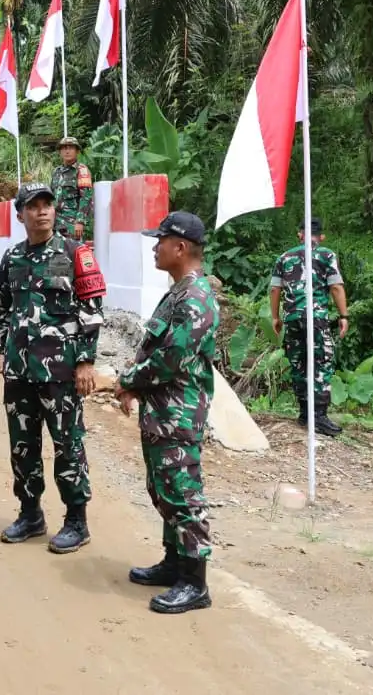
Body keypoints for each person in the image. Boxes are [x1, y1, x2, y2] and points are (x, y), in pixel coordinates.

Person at [0, 183, 106, 553]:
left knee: (68, 445)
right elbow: (1, 309)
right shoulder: (13, 258)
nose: (42, 212)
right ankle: (30, 513)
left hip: (61, 372)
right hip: (20, 371)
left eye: (47, 205)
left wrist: (86, 360)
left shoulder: (75, 253)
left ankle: (76, 520)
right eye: (33, 206)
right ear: (20, 214)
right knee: (23, 446)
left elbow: (92, 310)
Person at [115, 210, 218, 616]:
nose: (154, 247)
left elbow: (170, 360)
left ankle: (195, 582)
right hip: (163, 413)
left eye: (160, 241)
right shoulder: (178, 291)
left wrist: (127, 381)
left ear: (180, 248)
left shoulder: (195, 298)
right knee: (163, 489)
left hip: (179, 414)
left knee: (182, 493)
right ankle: (174, 562)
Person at [271, 219, 348, 437]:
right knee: (321, 361)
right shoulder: (326, 255)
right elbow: (335, 286)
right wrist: (343, 315)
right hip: (315, 317)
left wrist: (275, 317)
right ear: (321, 237)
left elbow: (275, 290)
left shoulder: (284, 257)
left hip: (293, 318)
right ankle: (320, 417)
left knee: (299, 361)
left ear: (300, 234)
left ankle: (305, 413)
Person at [51, 137, 93, 240]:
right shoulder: (56, 172)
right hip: (55, 224)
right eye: (64, 148)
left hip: (72, 224)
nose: (67, 151)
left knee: (73, 253)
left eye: (70, 148)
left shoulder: (81, 170)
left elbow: (86, 197)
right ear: (60, 152)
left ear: (77, 151)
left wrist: (80, 221)